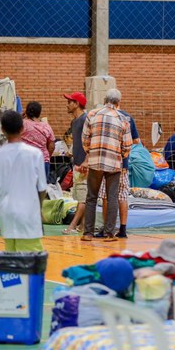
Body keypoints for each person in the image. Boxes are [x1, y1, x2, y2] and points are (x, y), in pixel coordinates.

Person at [0, 111, 47, 253]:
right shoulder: (35, 154)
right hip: (28, 213)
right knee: (31, 262)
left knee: (11, 261)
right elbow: (42, 188)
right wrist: (39, 209)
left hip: (5, 214)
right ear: (22, 128)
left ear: (2, 130)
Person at [81, 89, 132, 242]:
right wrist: (120, 155)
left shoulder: (91, 115)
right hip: (114, 162)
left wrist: (91, 151)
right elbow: (127, 145)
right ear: (119, 102)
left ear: (105, 100)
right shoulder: (123, 119)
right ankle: (109, 233)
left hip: (95, 161)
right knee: (112, 197)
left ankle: (88, 233)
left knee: (91, 197)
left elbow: (85, 139)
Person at [97, 91, 140, 239]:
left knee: (105, 195)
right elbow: (136, 141)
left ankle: (106, 228)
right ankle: (122, 229)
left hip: (107, 162)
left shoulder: (102, 116)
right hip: (123, 162)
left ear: (105, 101)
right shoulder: (127, 117)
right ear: (119, 101)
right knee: (122, 195)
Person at [62, 92, 88, 236]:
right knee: (79, 195)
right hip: (77, 163)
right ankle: (82, 226)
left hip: (85, 165)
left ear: (77, 104)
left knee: (83, 197)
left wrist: (87, 160)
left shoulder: (85, 119)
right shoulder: (75, 122)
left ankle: (72, 226)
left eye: (70, 102)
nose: (68, 105)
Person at [21, 101, 55, 177]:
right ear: (39, 113)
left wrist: (20, 117)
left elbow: (10, 129)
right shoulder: (46, 126)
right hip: (42, 161)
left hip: (26, 161)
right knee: (41, 187)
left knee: (25, 187)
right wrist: (47, 157)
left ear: (26, 112)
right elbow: (52, 146)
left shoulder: (22, 124)